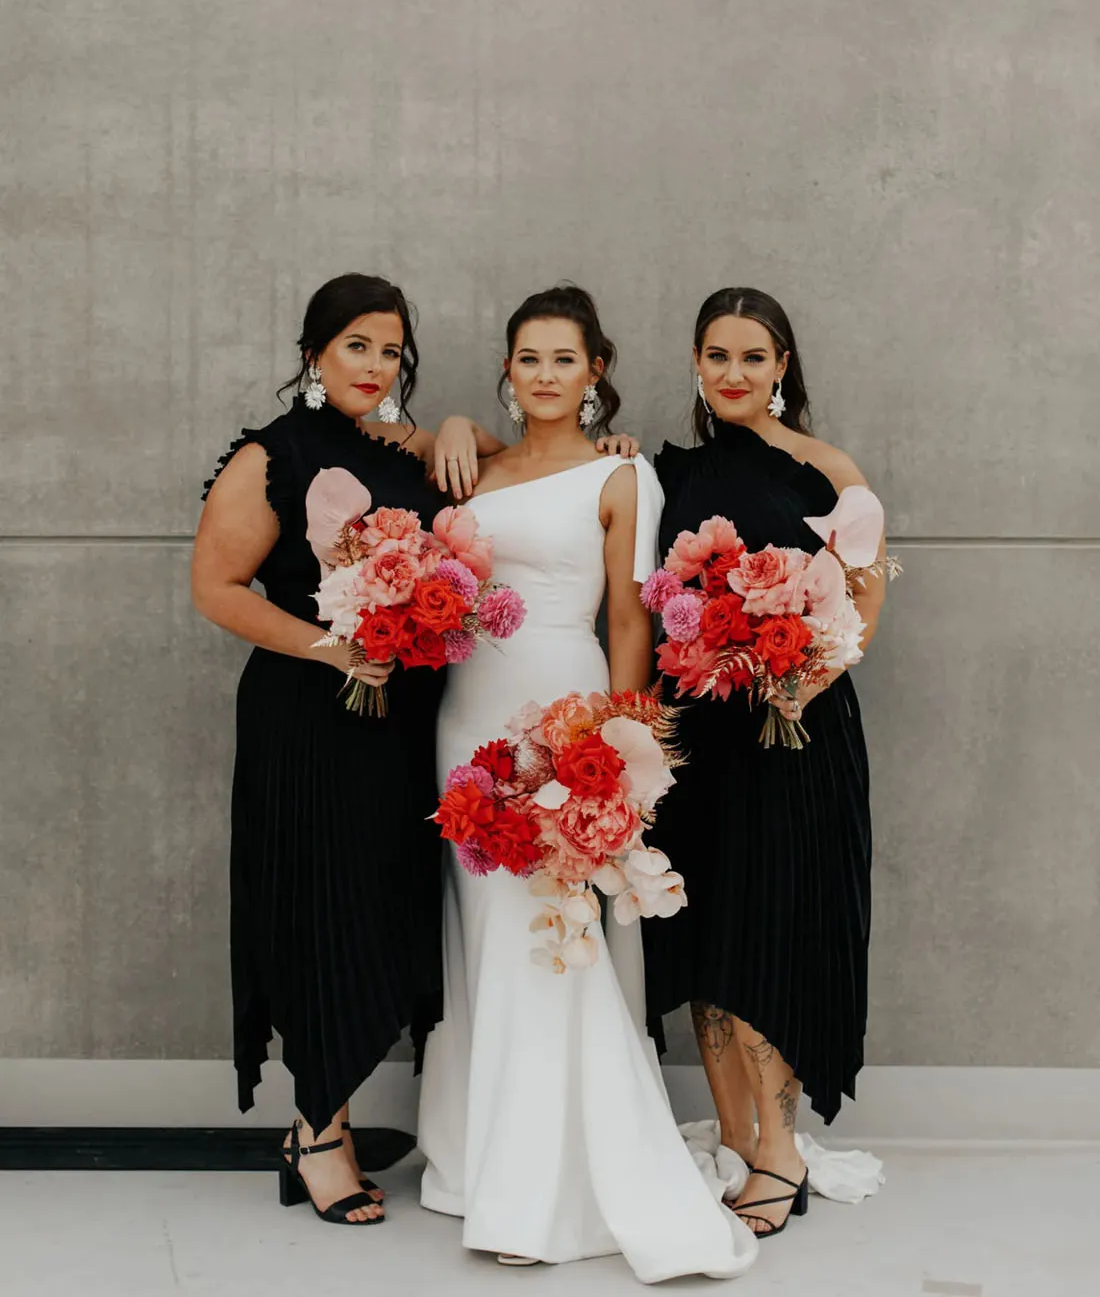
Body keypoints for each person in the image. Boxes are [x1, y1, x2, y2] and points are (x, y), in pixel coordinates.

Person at [417, 285, 757, 1281]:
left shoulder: (624, 477)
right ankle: (481, 1156)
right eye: (527, 358)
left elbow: (626, 621)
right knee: (482, 932)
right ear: (508, 369)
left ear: (595, 370)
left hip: (562, 716)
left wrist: (613, 750)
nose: (544, 375)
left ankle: (547, 1189)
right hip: (463, 718)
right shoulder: (474, 464)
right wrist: (446, 425)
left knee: (550, 936)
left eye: (563, 359)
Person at [192, 272, 487, 1225]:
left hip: (401, 733)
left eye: (392, 349)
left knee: (383, 911)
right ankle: (320, 1131)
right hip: (309, 723)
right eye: (357, 344)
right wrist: (340, 648)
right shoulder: (268, 455)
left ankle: (330, 1115)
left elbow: (490, 452)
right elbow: (219, 588)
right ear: (314, 351)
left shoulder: (398, 448)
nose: (375, 364)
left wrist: (448, 424)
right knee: (322, 910)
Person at [643, 287, 886, 1240]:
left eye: (753, 355)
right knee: (707, 941)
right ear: (695, 365)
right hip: (698, 734)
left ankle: (781, 1154)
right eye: (717, 356)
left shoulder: (827, 470)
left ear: (782, 365)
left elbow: (865, 601)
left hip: (795, 732)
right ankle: (741, 1140)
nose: (734, 373)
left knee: (769, 939)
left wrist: (804, 685)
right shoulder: (666, 470)